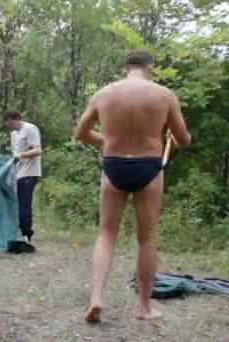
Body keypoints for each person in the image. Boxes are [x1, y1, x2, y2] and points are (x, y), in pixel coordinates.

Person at [74, 49, 191, 322]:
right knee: (147, 238)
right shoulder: (164, 95)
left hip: (114, 165)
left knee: (106, 233)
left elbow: (80, 133)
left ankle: (96, 300)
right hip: (148, 166)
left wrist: (109, 140)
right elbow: (184, 140)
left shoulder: (104, 94)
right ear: (150, 67)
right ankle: (144, 308)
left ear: (125, 67)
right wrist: (173, 134)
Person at [4, 109, 42, 245]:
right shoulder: (13, 134)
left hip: (29, 172)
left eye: (10, 123)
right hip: (17, 173)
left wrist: (21, 155)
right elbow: (15, 153)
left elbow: (37, 150)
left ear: (17, 119)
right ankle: (17, 232)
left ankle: (26, 234)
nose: (10, 126)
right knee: (15, 204)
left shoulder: (30, 129)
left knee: (24, 205)